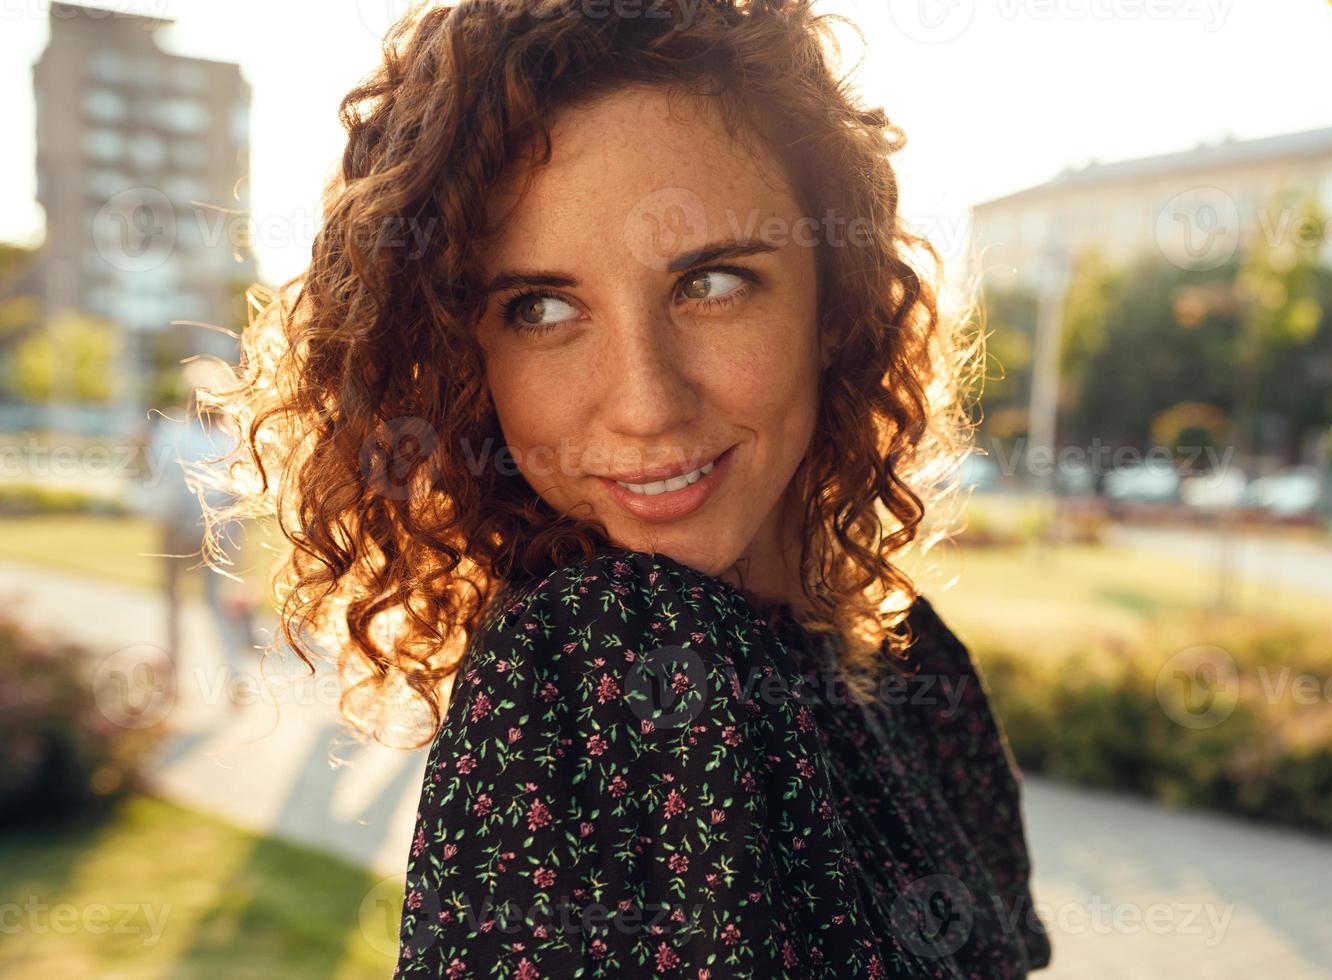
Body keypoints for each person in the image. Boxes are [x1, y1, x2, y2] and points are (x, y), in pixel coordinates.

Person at [210, 1, 1053, 975]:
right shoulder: (590, 675)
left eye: (712, 282)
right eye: (543, 306)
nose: (648, 404)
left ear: (836, 294)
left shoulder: (914, 663)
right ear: (460, 359)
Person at [145, 360, 256, 692]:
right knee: (217, 604)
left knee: (173, 602)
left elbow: (159, 483)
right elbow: (240, 495)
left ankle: (172, 678)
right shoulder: (231, 438)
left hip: (176, 527)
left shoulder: (171, 432)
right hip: (218, 532)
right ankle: (235, 673)